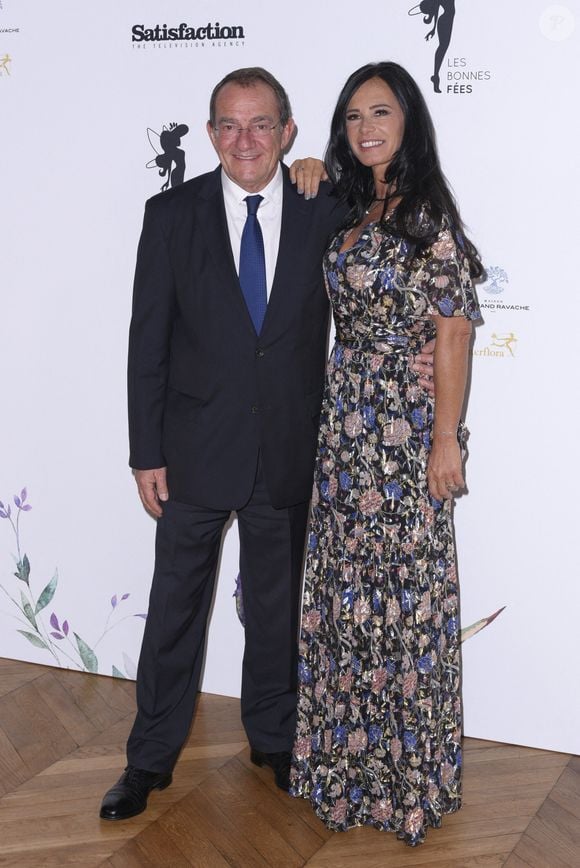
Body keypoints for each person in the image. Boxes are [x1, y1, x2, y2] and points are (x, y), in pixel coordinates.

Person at [99, 67, 347, 821]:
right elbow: (149, 341)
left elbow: (389, 211)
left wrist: (328, 169)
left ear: (288, 132)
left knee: (275, 613)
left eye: (262, 124)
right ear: (210, 134)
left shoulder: (324, 207)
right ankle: (148, 760)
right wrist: (146, 451)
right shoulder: (170, 214)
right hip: (193, 453)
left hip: (286, 452)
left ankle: (274, 739)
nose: (246, 140)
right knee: (175, 611)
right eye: (230, 126)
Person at [289, 62, 482, 847]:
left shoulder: (427, 214)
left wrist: (445, 439)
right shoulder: (353, 204)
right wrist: (306, 167)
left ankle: (406, 782)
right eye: (352, 116)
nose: (366, 128)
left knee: (403, 608)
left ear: (409, 122)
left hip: (403, 437)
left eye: (382, 112)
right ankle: (347, 772)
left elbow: (455, 331)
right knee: (347, 602)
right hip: (344, 430)